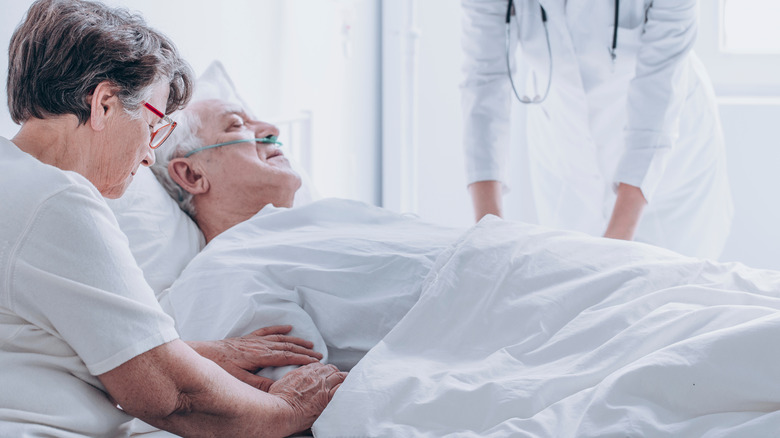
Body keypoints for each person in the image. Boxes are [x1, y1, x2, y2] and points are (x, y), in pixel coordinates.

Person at [0, 1, 345, 437]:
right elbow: (175, 397)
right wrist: (290, 408)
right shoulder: (58, 201)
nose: (148, 154)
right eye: (154, 126)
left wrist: (191, 351)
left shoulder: (14, 183)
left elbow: (45, 340)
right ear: (104, 104)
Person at [460, 0, 733, 259]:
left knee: (663, 292)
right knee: (569, 285)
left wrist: (613, 247)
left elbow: (657, 99)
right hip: (565, 152)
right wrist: (489, 231)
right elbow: (485, 79)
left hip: (669, 169)